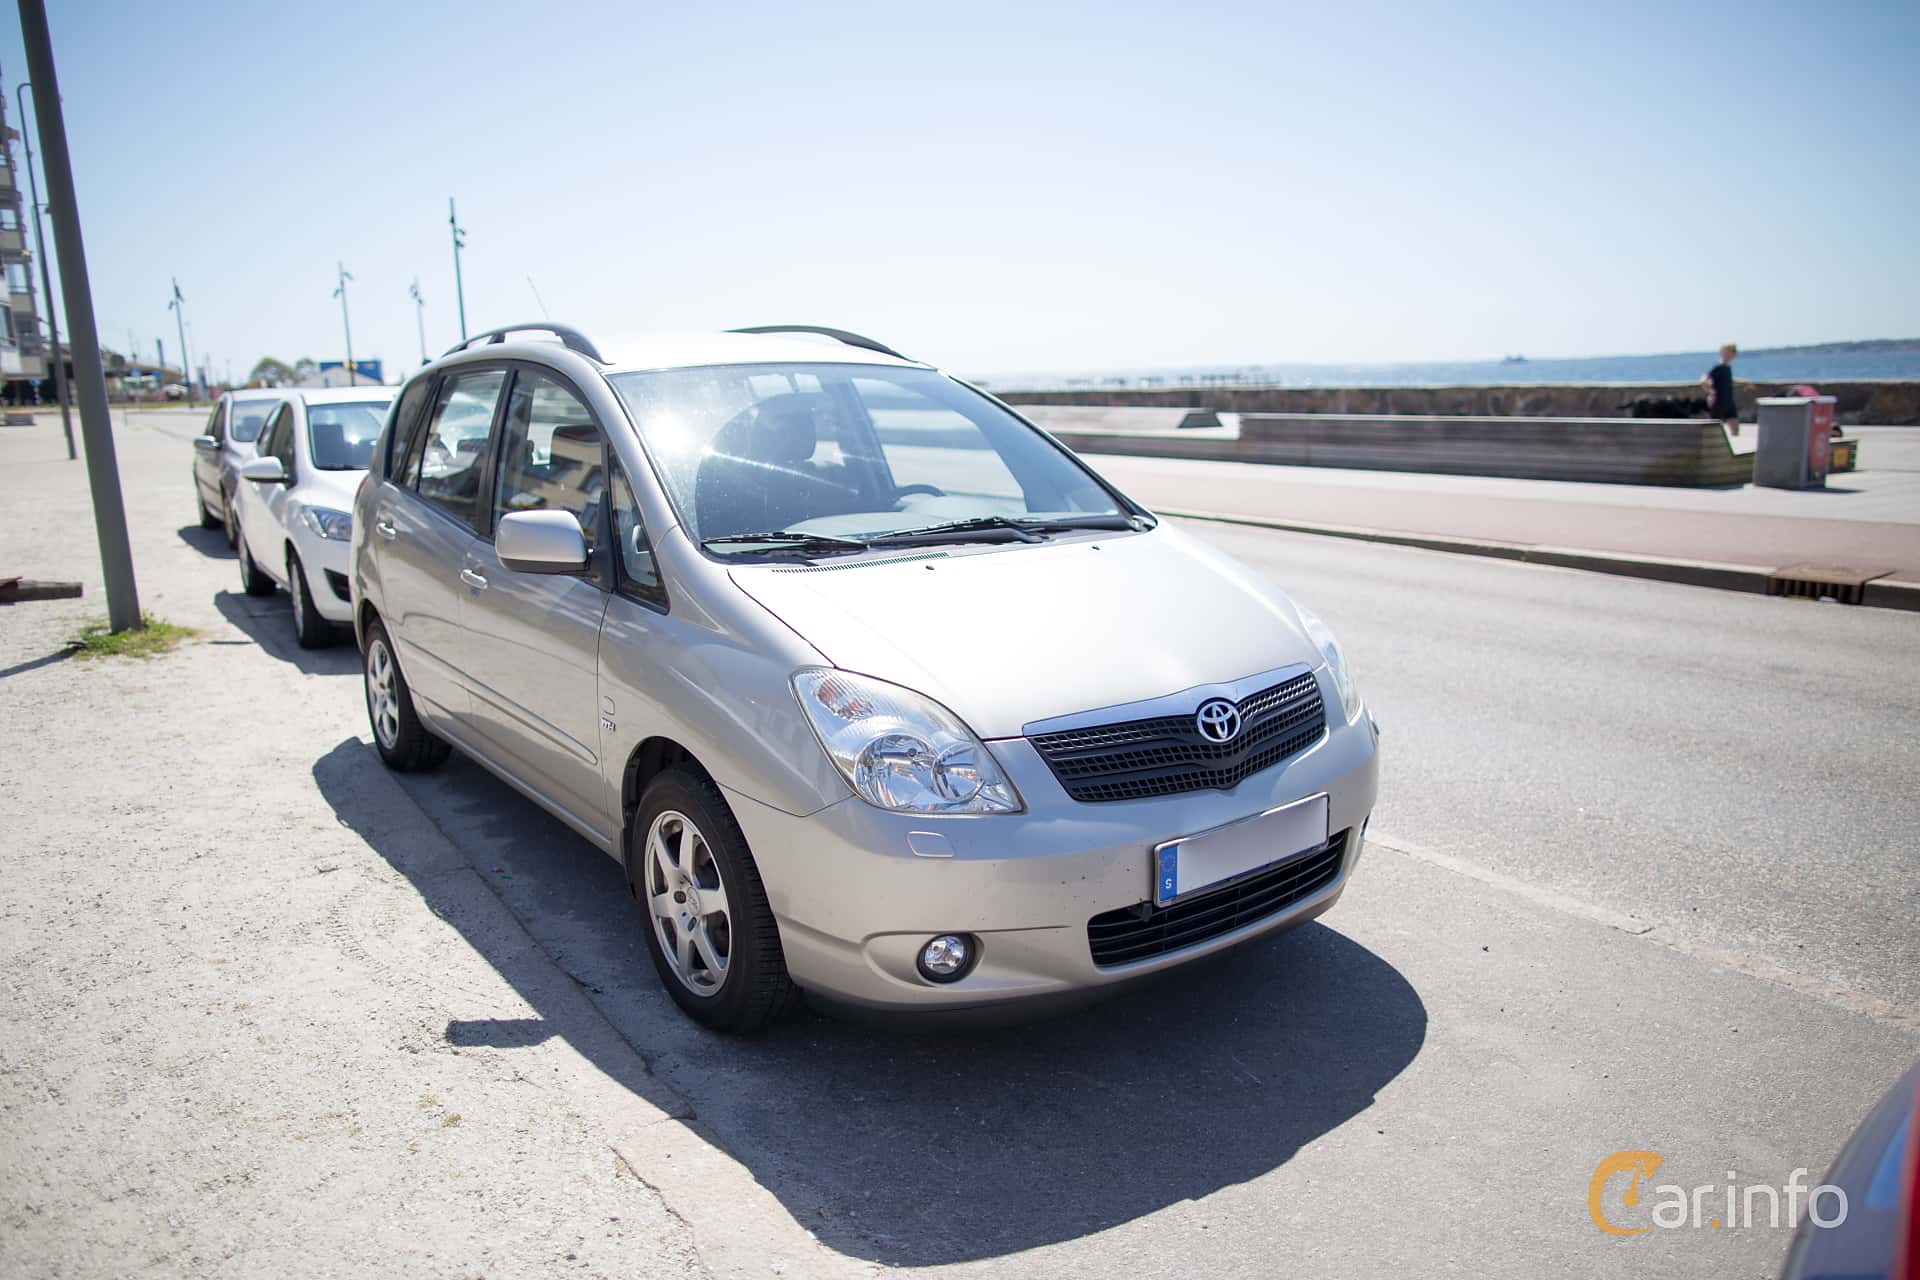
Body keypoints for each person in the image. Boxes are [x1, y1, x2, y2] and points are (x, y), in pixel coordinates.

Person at [1702, 342, 1739, 436]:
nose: (1734, 354)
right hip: (1719, 402)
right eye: (1731, 351)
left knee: (1735, 429)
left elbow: (1729, 380)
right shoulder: (1718, 367)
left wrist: (1745, 383)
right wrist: (1711, 393)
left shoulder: (1727, 367)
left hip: (1729, 401)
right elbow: (1703, 380)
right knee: (1713, 430)